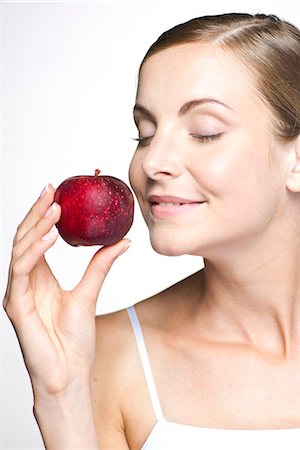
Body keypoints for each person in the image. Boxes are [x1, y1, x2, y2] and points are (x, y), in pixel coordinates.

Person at [3, 12, 300, 450]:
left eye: (204, 132)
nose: (151, 162)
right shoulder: (104, 357)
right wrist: (60, 397)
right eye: (144, 134)